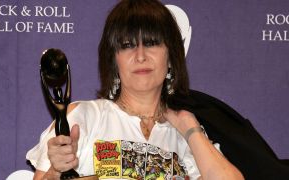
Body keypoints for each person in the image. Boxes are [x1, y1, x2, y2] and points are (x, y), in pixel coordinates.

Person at [27, 0, 244, 179]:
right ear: (114, 59)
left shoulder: (184, 133)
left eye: (151, 43)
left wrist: (189, 127)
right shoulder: (84, 117)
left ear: (170, 56)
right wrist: (56, 170)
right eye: (128, 45)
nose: (140, 56)